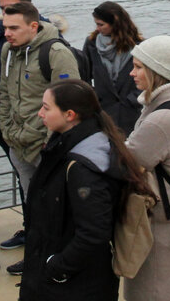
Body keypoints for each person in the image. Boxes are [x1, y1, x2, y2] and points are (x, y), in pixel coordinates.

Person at [19, 80, 148, 301]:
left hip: (73, 285)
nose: (40, 113)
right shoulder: (77, 145)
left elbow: (94, 232)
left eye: (46, 107)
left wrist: (57, 267)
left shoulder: (84, 167)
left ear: (70, 115)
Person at [0, 1, 81, 275]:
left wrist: (47, 141)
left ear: (33, 26)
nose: (6, 33)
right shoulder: (7, 51)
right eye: (4, 26)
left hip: (46, 148)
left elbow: (71, 102)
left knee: (55, 208)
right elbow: (5, 94)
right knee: (32, 206)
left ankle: (56, 259)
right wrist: (8, 131)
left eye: (13, 28)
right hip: (18, 146)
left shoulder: (57, 54)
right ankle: (35, 256)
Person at [123, 36, 170, 301]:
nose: (132, 73)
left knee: (155, 290)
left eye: (139, 66)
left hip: (162, 221)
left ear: (158, 72)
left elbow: (129, 162)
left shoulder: (162, 118)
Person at [0, 0, 36, 252]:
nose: (4, 14)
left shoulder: (48, 37)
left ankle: (43, 236)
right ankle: (31, 229)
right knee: (24, 179)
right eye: (1, 8)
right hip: (7, 126)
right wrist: (2, 123)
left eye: (9, 8)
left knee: (44, 184)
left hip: (39, 129)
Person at [83, 1, 144, 134]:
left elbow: (149, 78)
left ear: (115, 24)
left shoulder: (140, 46)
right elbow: (84, 75)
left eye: (101, 24)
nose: (98, 28)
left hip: (131, 112)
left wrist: (134, 99)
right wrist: (94, 99)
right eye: (96, 24)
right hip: (102, 112)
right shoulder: (91, 44)